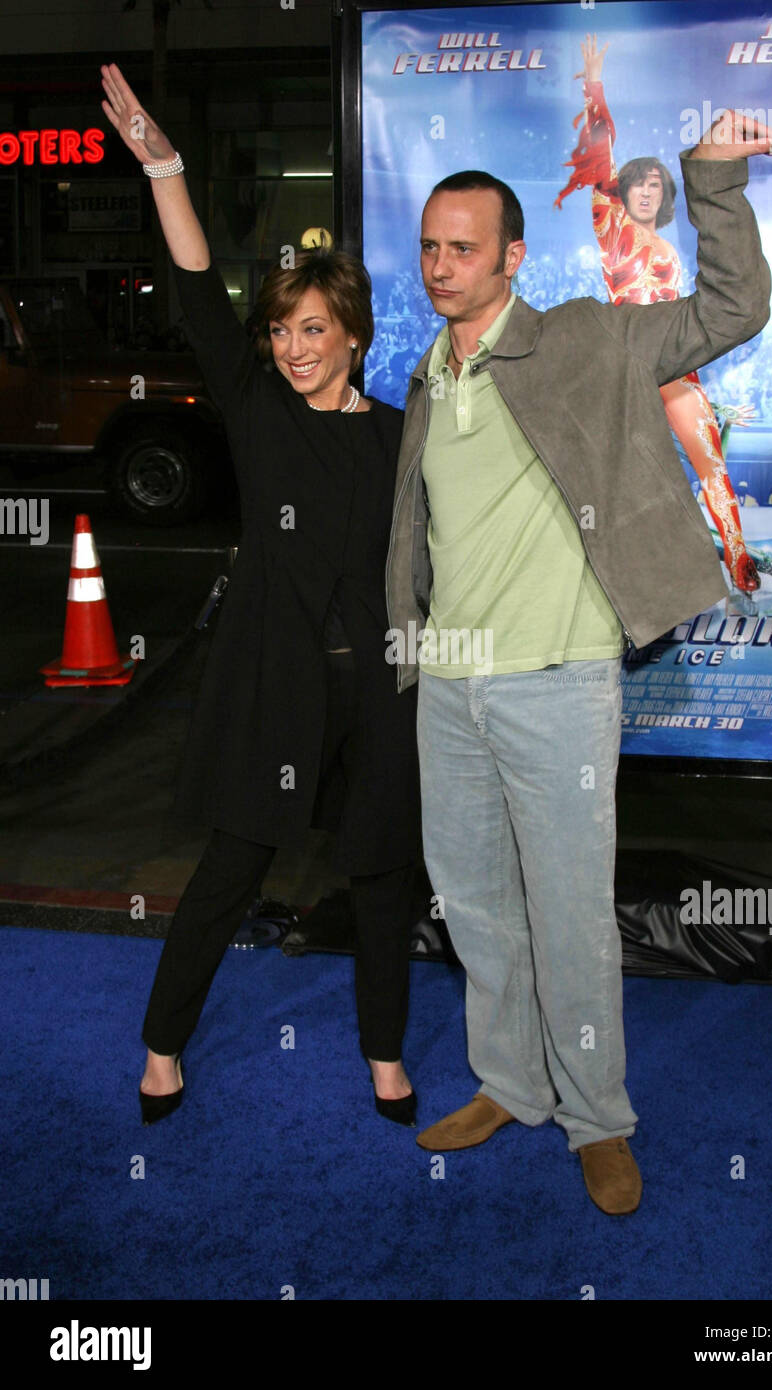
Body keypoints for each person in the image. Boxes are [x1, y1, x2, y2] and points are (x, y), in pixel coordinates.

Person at [385, 107, 772, 1213]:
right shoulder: (426, 376)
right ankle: (511, 1083)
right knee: (474, 906)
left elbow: (731, 308)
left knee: (569, 914)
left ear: (514, 256)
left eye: (463, 248)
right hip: (453, 686)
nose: (441, 267)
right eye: (429, 246)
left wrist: (713, 179)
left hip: (559, 682)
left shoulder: (585, 339)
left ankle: (596, 1116)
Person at [100, 64, 421, 1128]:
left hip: (377, 690)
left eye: (312, 330)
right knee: (233, 867)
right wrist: (165, 164)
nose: (291, 349)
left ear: (354, 336)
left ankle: (384, 1057)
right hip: (274, 683)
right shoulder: (256, 411)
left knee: (379, 872)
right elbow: (197, 288)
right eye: (282, 330)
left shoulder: (395, 436)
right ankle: (160, 1049)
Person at [556, 35, 760, 595]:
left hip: (675, 368)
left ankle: (739, 560)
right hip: (623, 362)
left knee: (711, 464)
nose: (647, 189)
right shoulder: (611, 226)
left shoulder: (669, 248)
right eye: (638, 181)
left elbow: (702, 322)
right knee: (607, 482)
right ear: (623, 189)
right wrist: (594, 88)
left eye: (657, 183)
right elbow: (598, 150)